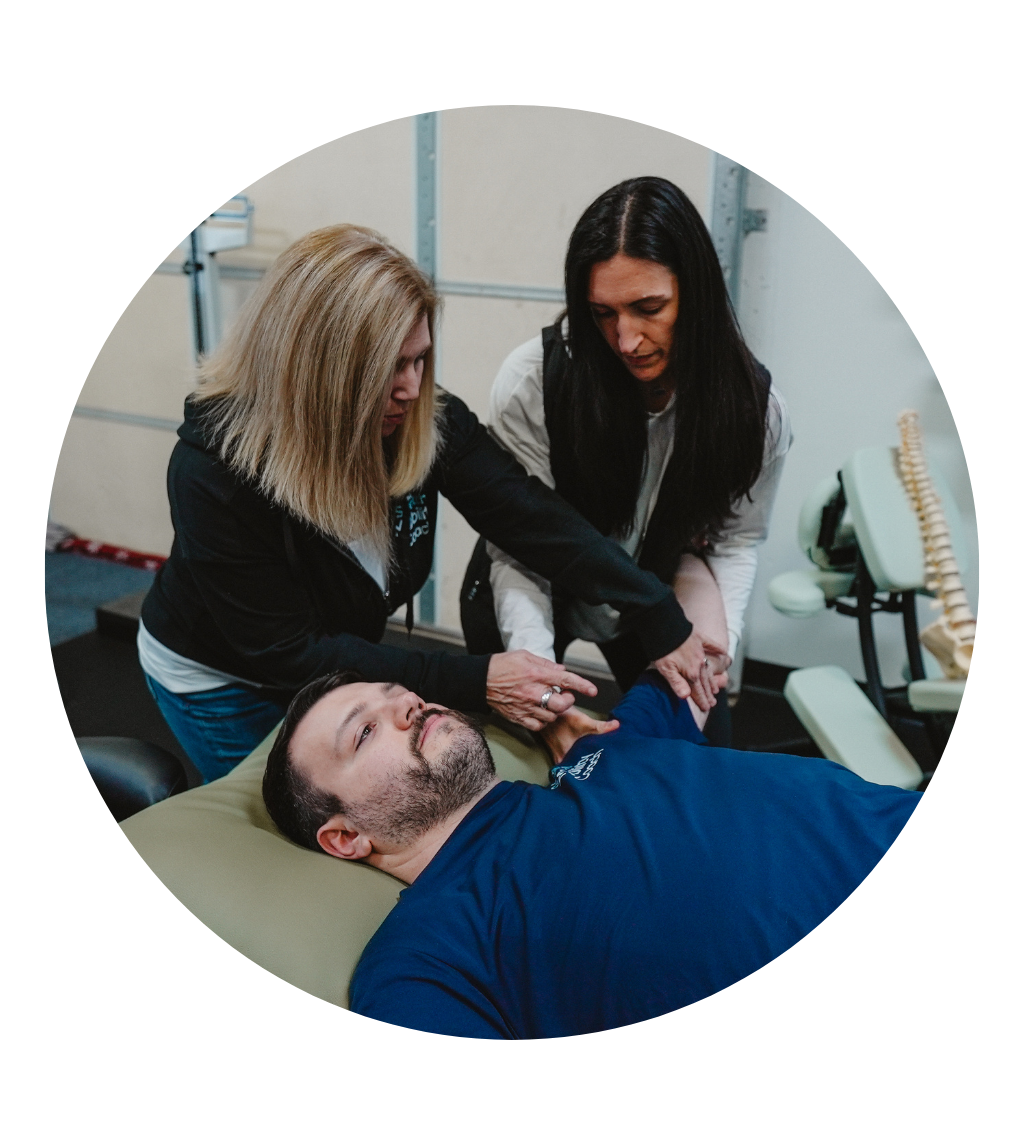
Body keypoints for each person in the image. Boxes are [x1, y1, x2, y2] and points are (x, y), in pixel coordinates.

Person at [138, 224, 715, 783]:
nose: (412, 388)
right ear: (318, 370)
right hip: (222, 679)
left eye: (419, 360)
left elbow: (531, 518)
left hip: (332, 654)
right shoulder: (214, 474)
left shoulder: (422, 422)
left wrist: (656, 610)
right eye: (388, 366)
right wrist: (477, 679)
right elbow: (287, 652)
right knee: (290, 835)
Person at [262, 670, 986, 1041]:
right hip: (882, 964)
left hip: (940, 841)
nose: (409, 709)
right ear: (345, 836)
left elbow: (686, 658)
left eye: (404, 697)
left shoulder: (594, 754)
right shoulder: (420, 955)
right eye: (365, 733)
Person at [461, 177, 793, 746]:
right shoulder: (532, 382)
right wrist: (543, 694)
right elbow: (521, 544)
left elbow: (738, 540)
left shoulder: (755, 412)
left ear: (698, 293)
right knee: (523, 760)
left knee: (703, 747)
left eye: (649, 308)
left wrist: (718, 648)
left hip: (652, 593)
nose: (627, 340)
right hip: (530, 586)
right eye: (602, 314)